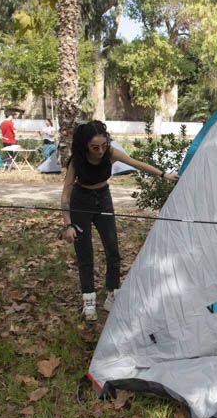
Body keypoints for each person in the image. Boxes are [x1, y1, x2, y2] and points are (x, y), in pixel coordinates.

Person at [60, 120, 179, 320]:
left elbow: (135, 163)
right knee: (84, 252)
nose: (100, 151)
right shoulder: (77, 160)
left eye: (103, 145)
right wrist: (68, 224)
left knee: (113, 248)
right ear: (85, 146)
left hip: (103, 199)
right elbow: (65, 195)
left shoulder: (110, 153)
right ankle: (88, 299)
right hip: (81, 201)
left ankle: (112, 293)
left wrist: (163, 174)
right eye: (94, 147)